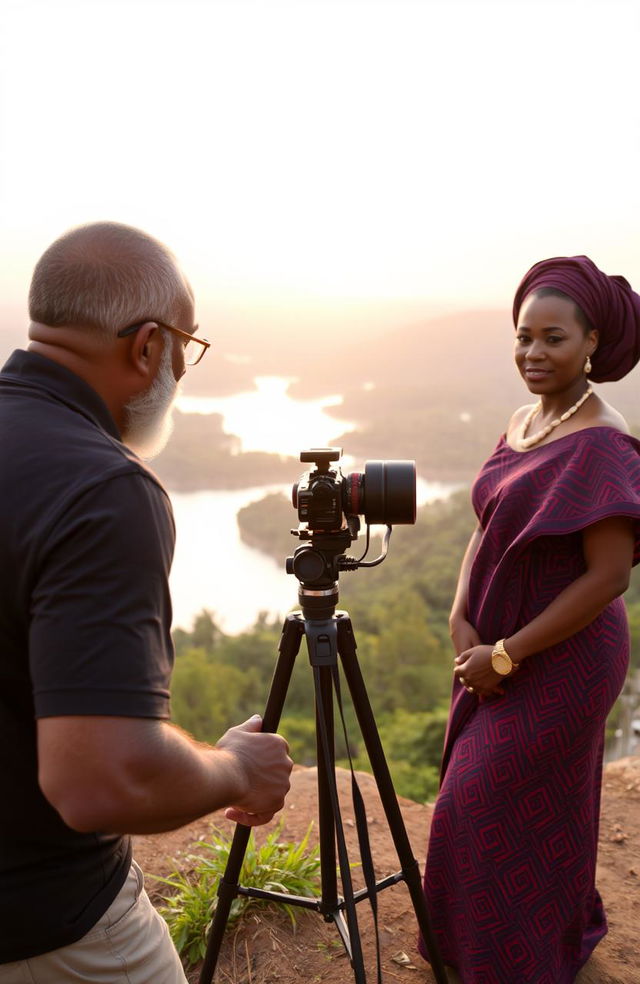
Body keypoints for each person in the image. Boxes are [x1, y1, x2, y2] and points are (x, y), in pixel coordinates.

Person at [0, 222, 293, 983]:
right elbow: (100, 780)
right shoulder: (103, 489)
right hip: (47, 927)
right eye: (187, 352)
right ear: (148, 346)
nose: (180, 372)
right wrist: (234, 769)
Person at [419, 255, 640, 983]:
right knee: (534, 805)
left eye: (552, 338)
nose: (533, 354)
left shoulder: (605, 441)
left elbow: (608, 577)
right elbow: (485, 526)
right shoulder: (522, 421)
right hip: (491, 649)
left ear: (590, 345)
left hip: (565, 657)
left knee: (474, 802)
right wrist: (460, 618)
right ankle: (506, 943)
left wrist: (506, 654)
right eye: (523, 337)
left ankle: (507, 965)